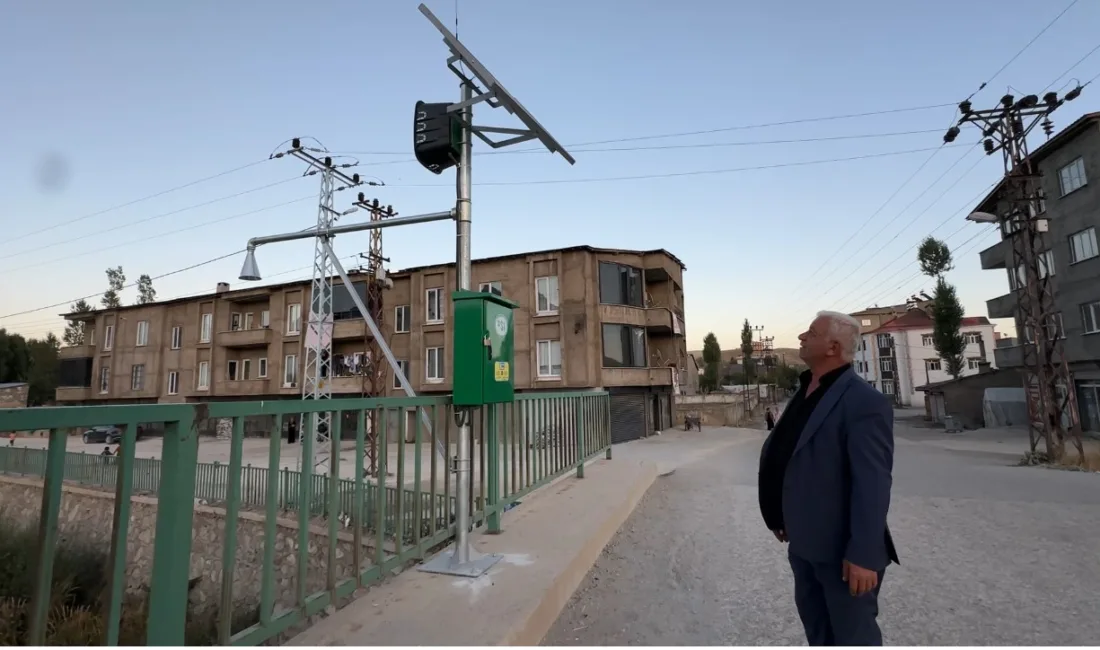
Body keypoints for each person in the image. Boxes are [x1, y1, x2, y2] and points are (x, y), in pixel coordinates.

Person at [757, 311, 899, 646]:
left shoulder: (864, 402)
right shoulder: (806, 389)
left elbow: (873, 483)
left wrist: (863, 554)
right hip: (804, 544)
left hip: (844, 553)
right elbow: (792, 455)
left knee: (852, 637)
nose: (802, 338)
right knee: (819, 633)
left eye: (811, 333)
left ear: (833, 347)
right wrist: (778, 513)